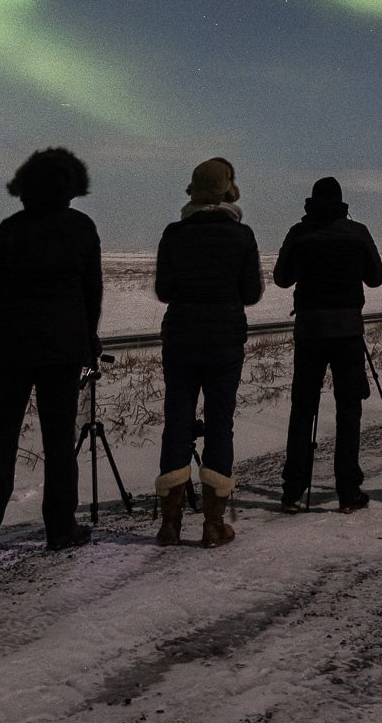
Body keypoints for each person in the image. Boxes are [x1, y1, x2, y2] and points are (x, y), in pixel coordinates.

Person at [0, 145, 102, 554]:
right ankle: (60, 530)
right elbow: (93, 293)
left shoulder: (12, 228)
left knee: (0, 440)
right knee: (58, 444)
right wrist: (90, 343)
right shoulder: (82, 228)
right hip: (62, 350)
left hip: (9, 349)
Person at [153, 155, 264, 548]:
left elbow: (164, 291)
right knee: (220, 425)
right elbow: (252, 293)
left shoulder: (174, 233)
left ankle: (169, 526)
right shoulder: (242, 235)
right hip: (224, 341)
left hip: (180, 339)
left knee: (177, 424)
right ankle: (213, 526)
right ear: (228, 191)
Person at [274, 176, 382, 514]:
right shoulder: (358, 232)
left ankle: (293, 490)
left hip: (309, 331)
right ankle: (348, 491)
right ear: (341, 203)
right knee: (348, 410)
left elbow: (281, 278)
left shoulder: (299, 233)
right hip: (348, 333)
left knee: (303, 409)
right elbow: (376, 277)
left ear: (311, 201)